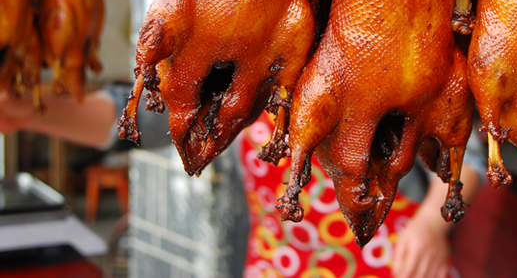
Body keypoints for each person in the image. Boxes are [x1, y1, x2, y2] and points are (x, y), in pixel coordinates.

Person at [0, 86, 483, 278]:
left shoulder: (389, 56)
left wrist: (430, 226)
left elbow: (470, 151)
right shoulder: (243, 76)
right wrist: (28, 112)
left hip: (395, 266)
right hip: (277, 267)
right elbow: (132, 120)